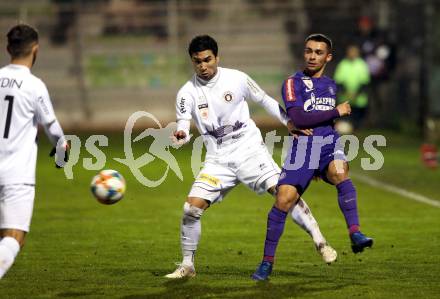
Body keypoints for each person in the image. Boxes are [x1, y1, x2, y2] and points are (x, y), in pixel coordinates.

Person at [165, 35, 337, 279]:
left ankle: (320, 241)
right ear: (192, 62)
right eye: (197, 62)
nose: (203, 66)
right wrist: (181, 134)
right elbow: (182, 123)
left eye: (207, 59)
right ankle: (187, 265)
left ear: (217, 57)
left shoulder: (237, 78)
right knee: (190, 209)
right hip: (218, 160)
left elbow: (264, 99)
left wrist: (287, 121)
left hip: (249, 150)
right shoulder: (187, 93)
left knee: (284, 193)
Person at [252, 34, 373, 281]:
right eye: (308, 51)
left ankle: (355, 233)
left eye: (318, 52)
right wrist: (336, 111)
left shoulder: (330, 84)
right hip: (303, 149)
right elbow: (299, 119)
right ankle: (266, 262)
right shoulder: (292, 83)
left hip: (329, 145)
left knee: (340, 172)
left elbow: (321, 119)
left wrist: (330, 117)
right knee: (284, 199)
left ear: (328, 57)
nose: (312, 56)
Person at [0, 24, 69, 279]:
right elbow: (51, 126)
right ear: (36, 50)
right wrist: (62, 151)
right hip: (17, 174)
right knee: (14, 237)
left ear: (8, 49)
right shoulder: (33, 85)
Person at [334, 44, 370, 130]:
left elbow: (365, 81)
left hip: (359, 100)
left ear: (358, 53)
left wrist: (356, 94)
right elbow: (338, 80)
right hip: (345, 98)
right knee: (345, 122)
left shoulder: (362, 64)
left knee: (357, 123)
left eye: (354, 52)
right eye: (351, 52)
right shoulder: (343, 64)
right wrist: (346, 92)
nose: (352, 54)